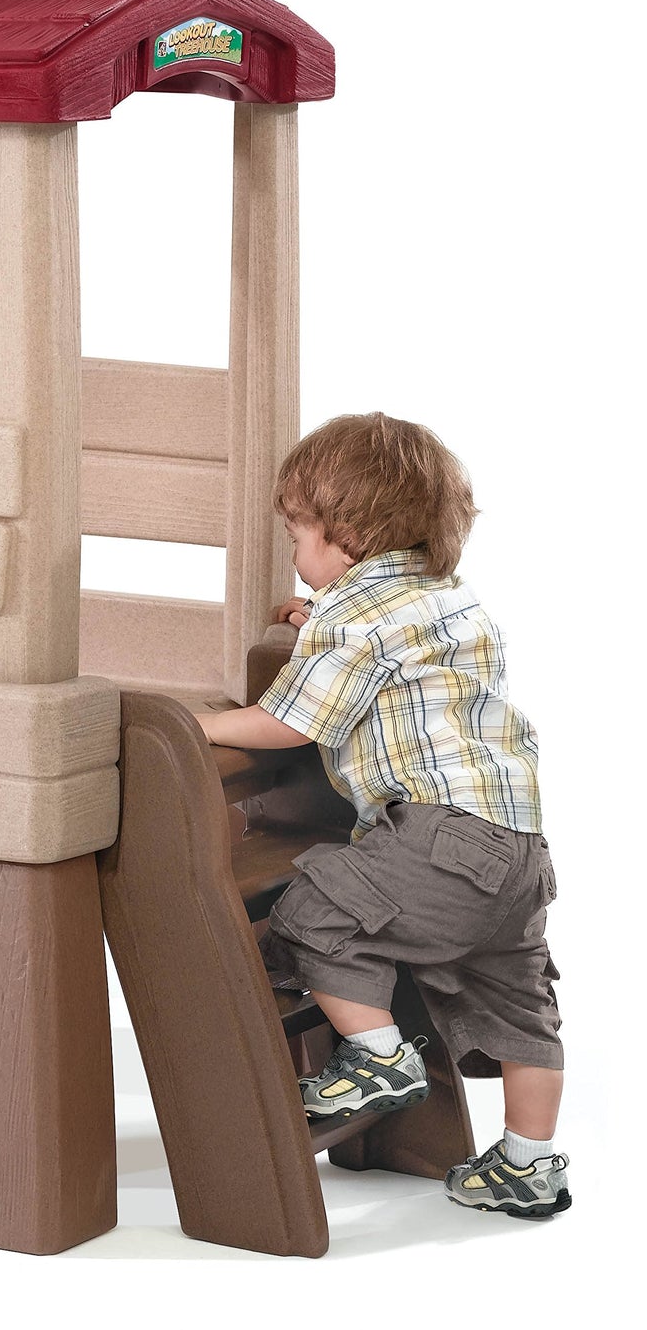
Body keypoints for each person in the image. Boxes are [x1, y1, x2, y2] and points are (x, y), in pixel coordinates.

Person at [195, 413, 569, 1218]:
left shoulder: (352, 620)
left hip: (440, 835)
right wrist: (317, 624)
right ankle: (529, 1164)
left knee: (314, 912)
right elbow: (390, 657)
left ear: (350, 538)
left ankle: (376, 1058)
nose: (295, 554)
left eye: (298, 535)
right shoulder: (447, 599)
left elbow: (290, 723)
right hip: (518, 850)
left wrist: (200, 726)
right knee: (520, 1004)